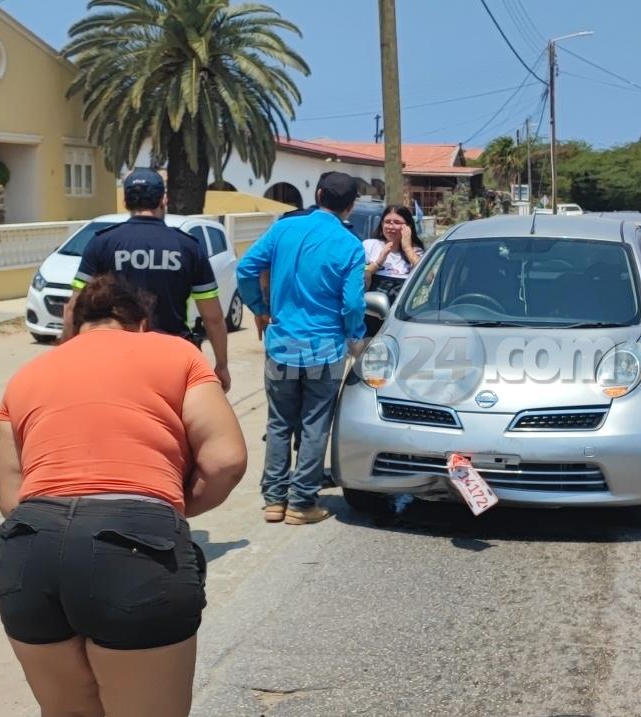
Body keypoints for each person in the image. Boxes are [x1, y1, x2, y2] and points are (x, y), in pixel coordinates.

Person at [0, 273, 247, 717]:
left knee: (67, 713)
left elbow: (11, 497)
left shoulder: (25, 376)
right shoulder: (177, 354)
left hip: (29, 549)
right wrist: (167, 506)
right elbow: (225, 459)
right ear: (141, 323)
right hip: (135, 548)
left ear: (75, 326)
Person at [237, 171, 366, 525]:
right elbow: (353, 303)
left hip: (281, 345)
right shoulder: (350, 244)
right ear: (351, 206)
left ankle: (274, 501)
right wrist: (354, 333)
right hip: (325, 350)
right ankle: (302, 503)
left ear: (319, 194)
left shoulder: (283, 229)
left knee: (279, 423)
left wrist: (260, 309)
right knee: (314, 425)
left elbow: (246, 269)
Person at [62, 168, 231, 391]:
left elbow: (72, 309)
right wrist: (221, 364)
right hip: (173, 359)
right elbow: (213, 317)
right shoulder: (188, 247)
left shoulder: (101, 244)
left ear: (125, 202)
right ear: (163, 200)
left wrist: (65, 357)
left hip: (116, 360)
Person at [362, 205, 426, 336]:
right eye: (387, 222)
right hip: (372, 316)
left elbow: (428, 278)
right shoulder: (370, 245)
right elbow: (360, 276)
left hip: (403, 319)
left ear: (408, 227)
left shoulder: (416, 251)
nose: (391, 226)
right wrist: (378, 262)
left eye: (397, 222)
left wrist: (407, 249)